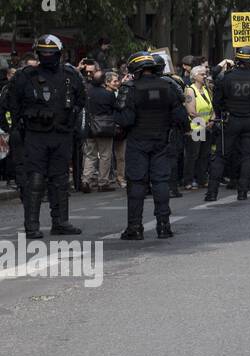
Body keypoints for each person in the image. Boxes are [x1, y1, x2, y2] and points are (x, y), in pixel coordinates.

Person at [4, 35, 86, 238]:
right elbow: (10, 103)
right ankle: (31, 225)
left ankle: (61, 222)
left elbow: (81, 101)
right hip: (35, 135)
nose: (48, 56)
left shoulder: (70, 75)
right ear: (38, 54)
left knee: (60, 180)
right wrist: (19, 124)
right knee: (35, 180)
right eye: (44, 52)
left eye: (51, 53)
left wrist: (73, 124)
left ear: (59, 54)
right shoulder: (25, 76)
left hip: (61, 134)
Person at [114, 51, 188, 239]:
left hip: (138, 142)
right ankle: (164, 226)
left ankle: (135, 227)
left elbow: (125, 120)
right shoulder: (169, 87)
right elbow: (181, 118)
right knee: (161, 182)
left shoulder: (129, 88)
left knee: (137, 184)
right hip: (162, 141)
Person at [205, 45, 250, 202]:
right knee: (248, 156)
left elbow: (217, 101)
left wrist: (222, 113)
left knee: (220, 156)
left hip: (230, 120)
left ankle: (212, 192)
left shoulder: (226, 77)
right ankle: (243, 191)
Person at [82, 63, 119, 192]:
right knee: (105, 155)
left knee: (90, 155)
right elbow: (115, 109)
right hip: (105, 127)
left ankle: (86, 180)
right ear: (104, 81)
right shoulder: (108, 95)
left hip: (90, 127)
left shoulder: (87, 93)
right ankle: (103, 182)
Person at [182, 65, 213, 190]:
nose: (204, 76)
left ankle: (202, 179)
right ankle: (189, 180)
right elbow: (191, 111)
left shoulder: (206, 89)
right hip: (197, 128)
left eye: (205, 74)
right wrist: (204, 123)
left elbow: (211, 108)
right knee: (193, 155)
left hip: (207, 127)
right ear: (194, 76)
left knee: (204, 155)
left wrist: (211, 120)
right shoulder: (191, 90)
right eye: (202, 74)